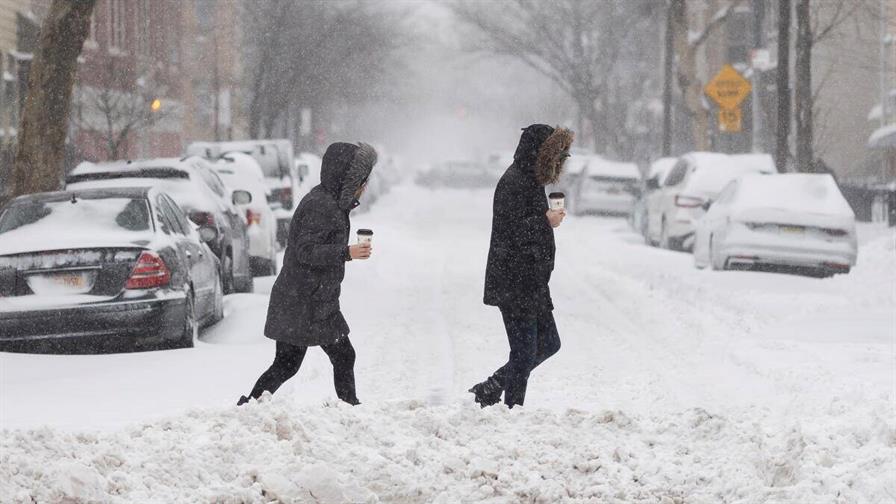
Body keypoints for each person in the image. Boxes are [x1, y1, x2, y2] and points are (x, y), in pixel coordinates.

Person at [238, 142, 377, 406]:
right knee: (293, 363)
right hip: (301, 301)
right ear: (347, 178)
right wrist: (346, 252)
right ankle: (250, 407)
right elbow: (306, 251)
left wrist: (345, 253)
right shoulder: (321, 205)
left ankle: (348, 408)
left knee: (309, 360)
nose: (365, 186)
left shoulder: (332, 203)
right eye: (362, 180)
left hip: (315, 300)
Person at [469, 124, 573, 408]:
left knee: (548, 343)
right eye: (554, 155)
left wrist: (544, 222)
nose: (558, 162)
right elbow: (511, 230)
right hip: (514, 279)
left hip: (531, 280)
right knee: (524, 352)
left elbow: (525, 225)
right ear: (540, 153)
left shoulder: (531, 180)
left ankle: (492, 387)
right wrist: (545, 221)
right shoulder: (514, 182)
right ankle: (512, 410)